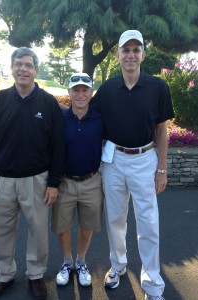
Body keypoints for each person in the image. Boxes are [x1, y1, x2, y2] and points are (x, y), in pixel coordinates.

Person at [91, 30, 174, 300]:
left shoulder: (157, 87)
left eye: (136, 49)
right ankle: (118, 266)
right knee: (115, 218)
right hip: (114, 160)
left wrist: (162, 169)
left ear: (143, 55)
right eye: (125, 50)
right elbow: (91, 121)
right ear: (117, 56)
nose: (130, 54)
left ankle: (152, 285)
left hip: (145, 159)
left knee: (148, 223)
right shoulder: (106, 90)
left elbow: (162, 130)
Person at [0, 47, 65, 300]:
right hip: (4, 179)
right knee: (2, 229)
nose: (23, 69)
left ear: (36, 70)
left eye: (28, 65)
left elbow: (58, 146)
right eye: (19, 64)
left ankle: (36, 275)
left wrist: (53, 182)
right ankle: (4, 274)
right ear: (12, 68)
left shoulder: (49, 103)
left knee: (38, 230)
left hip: (36, 180)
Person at [51, 73, 104, 287]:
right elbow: (53, 151)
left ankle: (81, 262)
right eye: (76, 90)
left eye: (85, 90)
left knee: (87, 225)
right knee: (62, 225)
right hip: (65, 181)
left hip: (92, 180)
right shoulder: (60, 120)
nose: (80, 94)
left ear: (91, 93)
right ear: (69, 93)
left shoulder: (100, 119)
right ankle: (67, 262)